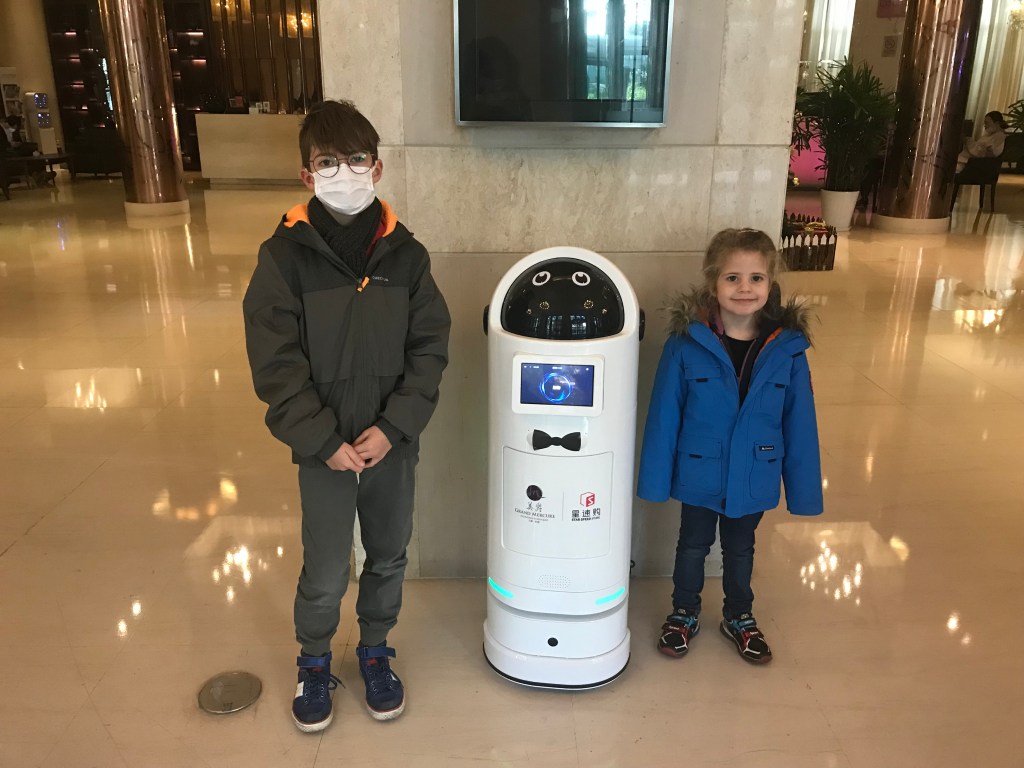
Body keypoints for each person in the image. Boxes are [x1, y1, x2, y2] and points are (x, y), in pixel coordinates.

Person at [242, 99, 451, 732]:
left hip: (391, 443)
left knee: (388, 552)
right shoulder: (283, 258)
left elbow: (429, 349)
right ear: (307, 174)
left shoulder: (407, 257)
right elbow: (275, 362)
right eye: (327, 162)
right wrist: (322, 439)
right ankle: (313, 660)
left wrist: (393, 428)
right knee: (329, 565)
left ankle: (375, 649)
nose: (344, 172)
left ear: (377, 167)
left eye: (356, 159)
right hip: (324, 449)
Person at [637, 228, 823, 665]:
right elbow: (664, 416)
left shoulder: (788, 350)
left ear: (771, 283)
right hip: (699, 471)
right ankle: (683, 612)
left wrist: (804, 493)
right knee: (692, 545)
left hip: (755, 473)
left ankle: (739, 615)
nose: (744, 288)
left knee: (740, 549)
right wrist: (655, 481)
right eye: (732, 278)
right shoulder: (686, 344)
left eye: (756, 278)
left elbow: (800, 424)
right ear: (712, 282)